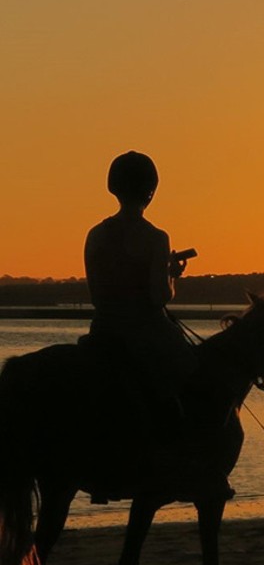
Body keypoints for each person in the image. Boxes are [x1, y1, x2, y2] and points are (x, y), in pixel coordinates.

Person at [83, 151, 197, 424]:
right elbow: (159, 297)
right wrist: (172, 276)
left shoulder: (95, 234)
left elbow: (96, 293)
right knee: (192, 371)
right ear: (151, 190)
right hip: (146, 333)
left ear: (113, 187)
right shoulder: (156, 238)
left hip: (103, 329)